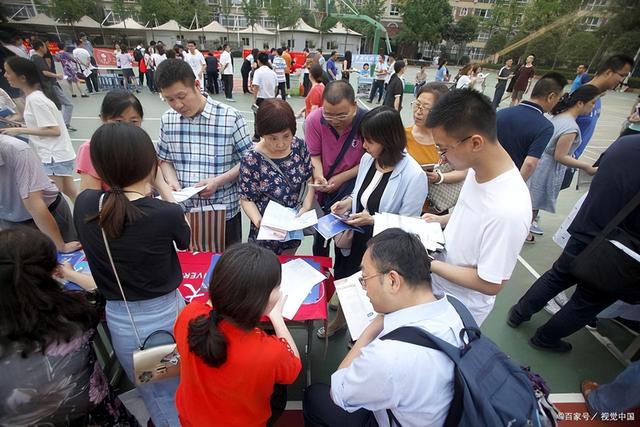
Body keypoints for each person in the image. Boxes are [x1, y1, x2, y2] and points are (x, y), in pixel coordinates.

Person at [74, 123, 190, 427]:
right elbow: (185, 238)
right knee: (169, 393)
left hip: (124, 320)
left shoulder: (86, 204)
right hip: (160, 323)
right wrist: (162, 186)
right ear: (148, 163)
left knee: (157, 391)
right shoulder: (165, 213)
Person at [303, 228, 464, 426]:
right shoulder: (457, 308)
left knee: (315, 396)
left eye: (365, 278)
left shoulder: (389, 355)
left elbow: (339, 392)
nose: (364, 287)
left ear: (393, 281)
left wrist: (371, 328)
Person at [507, 134, 640, 353]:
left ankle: (519, 313)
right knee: (587, 301)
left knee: (558, 275)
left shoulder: (626, 143)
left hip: (587, 225)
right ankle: (546, 338)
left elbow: (599, 171)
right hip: (620, 246)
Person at [0, 227, 138, 426]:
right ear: (49, 272)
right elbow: (105, 291)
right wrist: (69, 274)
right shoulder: (73, 313)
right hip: (98, 417)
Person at [423, 89, 531, 325]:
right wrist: (441, 220)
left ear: (475, 142)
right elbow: (469, 213)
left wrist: (429, 264)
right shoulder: (478, 170)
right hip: (439, 286)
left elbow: (491, 283)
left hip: (459, 309)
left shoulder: (508, 210)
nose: (441, 160)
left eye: (443, 149)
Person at [321, 107, 428, 338]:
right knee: (347, 280)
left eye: (369, 140)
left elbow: (409, 225)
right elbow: (362, 194)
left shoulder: (413, 175)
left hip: (383, 247)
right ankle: (341, 320)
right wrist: (347, 203)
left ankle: (364, 335)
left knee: (371, 293)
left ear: (388, 140)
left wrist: (373, 220)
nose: (363, 146)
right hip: (357, 235)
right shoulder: (369, 159)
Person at [175, 243, 301, 427]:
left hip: (191, 418)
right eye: (276, 287)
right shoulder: (269, 352)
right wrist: (276, 317)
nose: (279, 292)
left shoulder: (189, 314)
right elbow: (293, 366)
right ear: (260, 301)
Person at [156, 59, 252, 246]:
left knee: (227, 269)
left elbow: (249, 162)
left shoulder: (230, 117)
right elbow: (164, 159)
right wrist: (172, 181)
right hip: (184, 214)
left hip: (224, 212)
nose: (177, 105)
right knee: (192, 267)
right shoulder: (167, 120)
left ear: (197, 85)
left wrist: (218, 181)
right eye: (169, 99)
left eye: (181, 96)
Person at [239, 99, 315, 255]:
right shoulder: (252, 159)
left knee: (288, 265)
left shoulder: (299, 146)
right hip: (266, 234)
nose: (281, 144)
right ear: (262, 133)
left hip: (293, 228)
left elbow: (308, 180)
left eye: (286, 136)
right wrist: (258, 221)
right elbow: (246, 198)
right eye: (273, 138)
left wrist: (306, 207)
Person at [527, 86, 600, 245]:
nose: (593, 107)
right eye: (592, 103)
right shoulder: (570, 127)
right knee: (533, 202)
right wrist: (586, 166)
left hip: (540, 161)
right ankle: (524, 231)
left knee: (531, 199)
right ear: (580, 103)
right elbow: (560, 156)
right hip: (545, 167)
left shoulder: (559, 117)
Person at [2, 56, 77, 202]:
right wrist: (20, 126)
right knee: (71, 192)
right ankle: (89, 219)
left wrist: (19, 130)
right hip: (58, 155)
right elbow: (42, 126)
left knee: (52, 201)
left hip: (53, 157)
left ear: (22, 77)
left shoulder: (36, 100)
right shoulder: (34, 97)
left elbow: (54, 130)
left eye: (8, 72)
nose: (5, 75)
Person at [305, 80, 367, 257]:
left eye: (341, 115)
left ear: (354, 106)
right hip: (324, 192)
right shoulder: (314, 120)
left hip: (353, 190)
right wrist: (318, 176)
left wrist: (342, 177)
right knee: (320, 240)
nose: (335, 121)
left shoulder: (366, 121)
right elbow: (314, 155)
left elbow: (370, 160)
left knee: (346, 242)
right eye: (329, 115)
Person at [0, 135, 79, 253]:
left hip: (48, 214)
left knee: (65, 263)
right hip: (9, 219)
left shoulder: (18, 151)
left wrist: (60, 245)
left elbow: (34, 204)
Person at [406, 82, 467, 213]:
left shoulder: (451, 140)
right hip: (406, 206)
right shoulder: (402, 135)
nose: (418, 111)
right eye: (417, 104)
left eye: (425, 107)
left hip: (434, 211)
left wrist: (439, 178)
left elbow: (463, 171)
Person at [497, 72, 567, 182]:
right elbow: (530, 163)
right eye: (559, 99)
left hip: (486, 175)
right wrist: (516, 188)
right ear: (551, 97)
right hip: (509, 179)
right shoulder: (545, 126)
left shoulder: (501, 113)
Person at [76, 90, 145, 191]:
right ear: (103, 119)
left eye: (134, 121)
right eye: (118, 121)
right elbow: (90, 201)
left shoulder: (142, 145)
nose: (126, 127)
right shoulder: (91, 150)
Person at [573, 54, 634, 158]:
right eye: (622, 75)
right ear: (608, 73)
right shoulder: (581, 95)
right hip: (561, 163)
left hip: (571, 161)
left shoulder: (597, 96)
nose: (622, 81)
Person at [30, 39, 75, 131]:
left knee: (54, 106)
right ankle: (64, 124)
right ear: (40, 47)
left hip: (45, 85)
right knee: (67, 104)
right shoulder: (38, 59)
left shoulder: (33, 58)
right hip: (50, 84)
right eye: (44, 46)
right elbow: (45, 72)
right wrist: (57, 75)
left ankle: (60, 124)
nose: (46, 48)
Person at [251, 52, 277, 141]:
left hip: (261, 99)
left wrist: (254, 100)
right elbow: (276, 87)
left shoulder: (258, 72)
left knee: (258, 118)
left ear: (258, 61)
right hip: (271, 99)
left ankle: (257, 136)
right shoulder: (272, 72)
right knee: (269, 118)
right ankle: (269, 135)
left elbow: (256, 86)